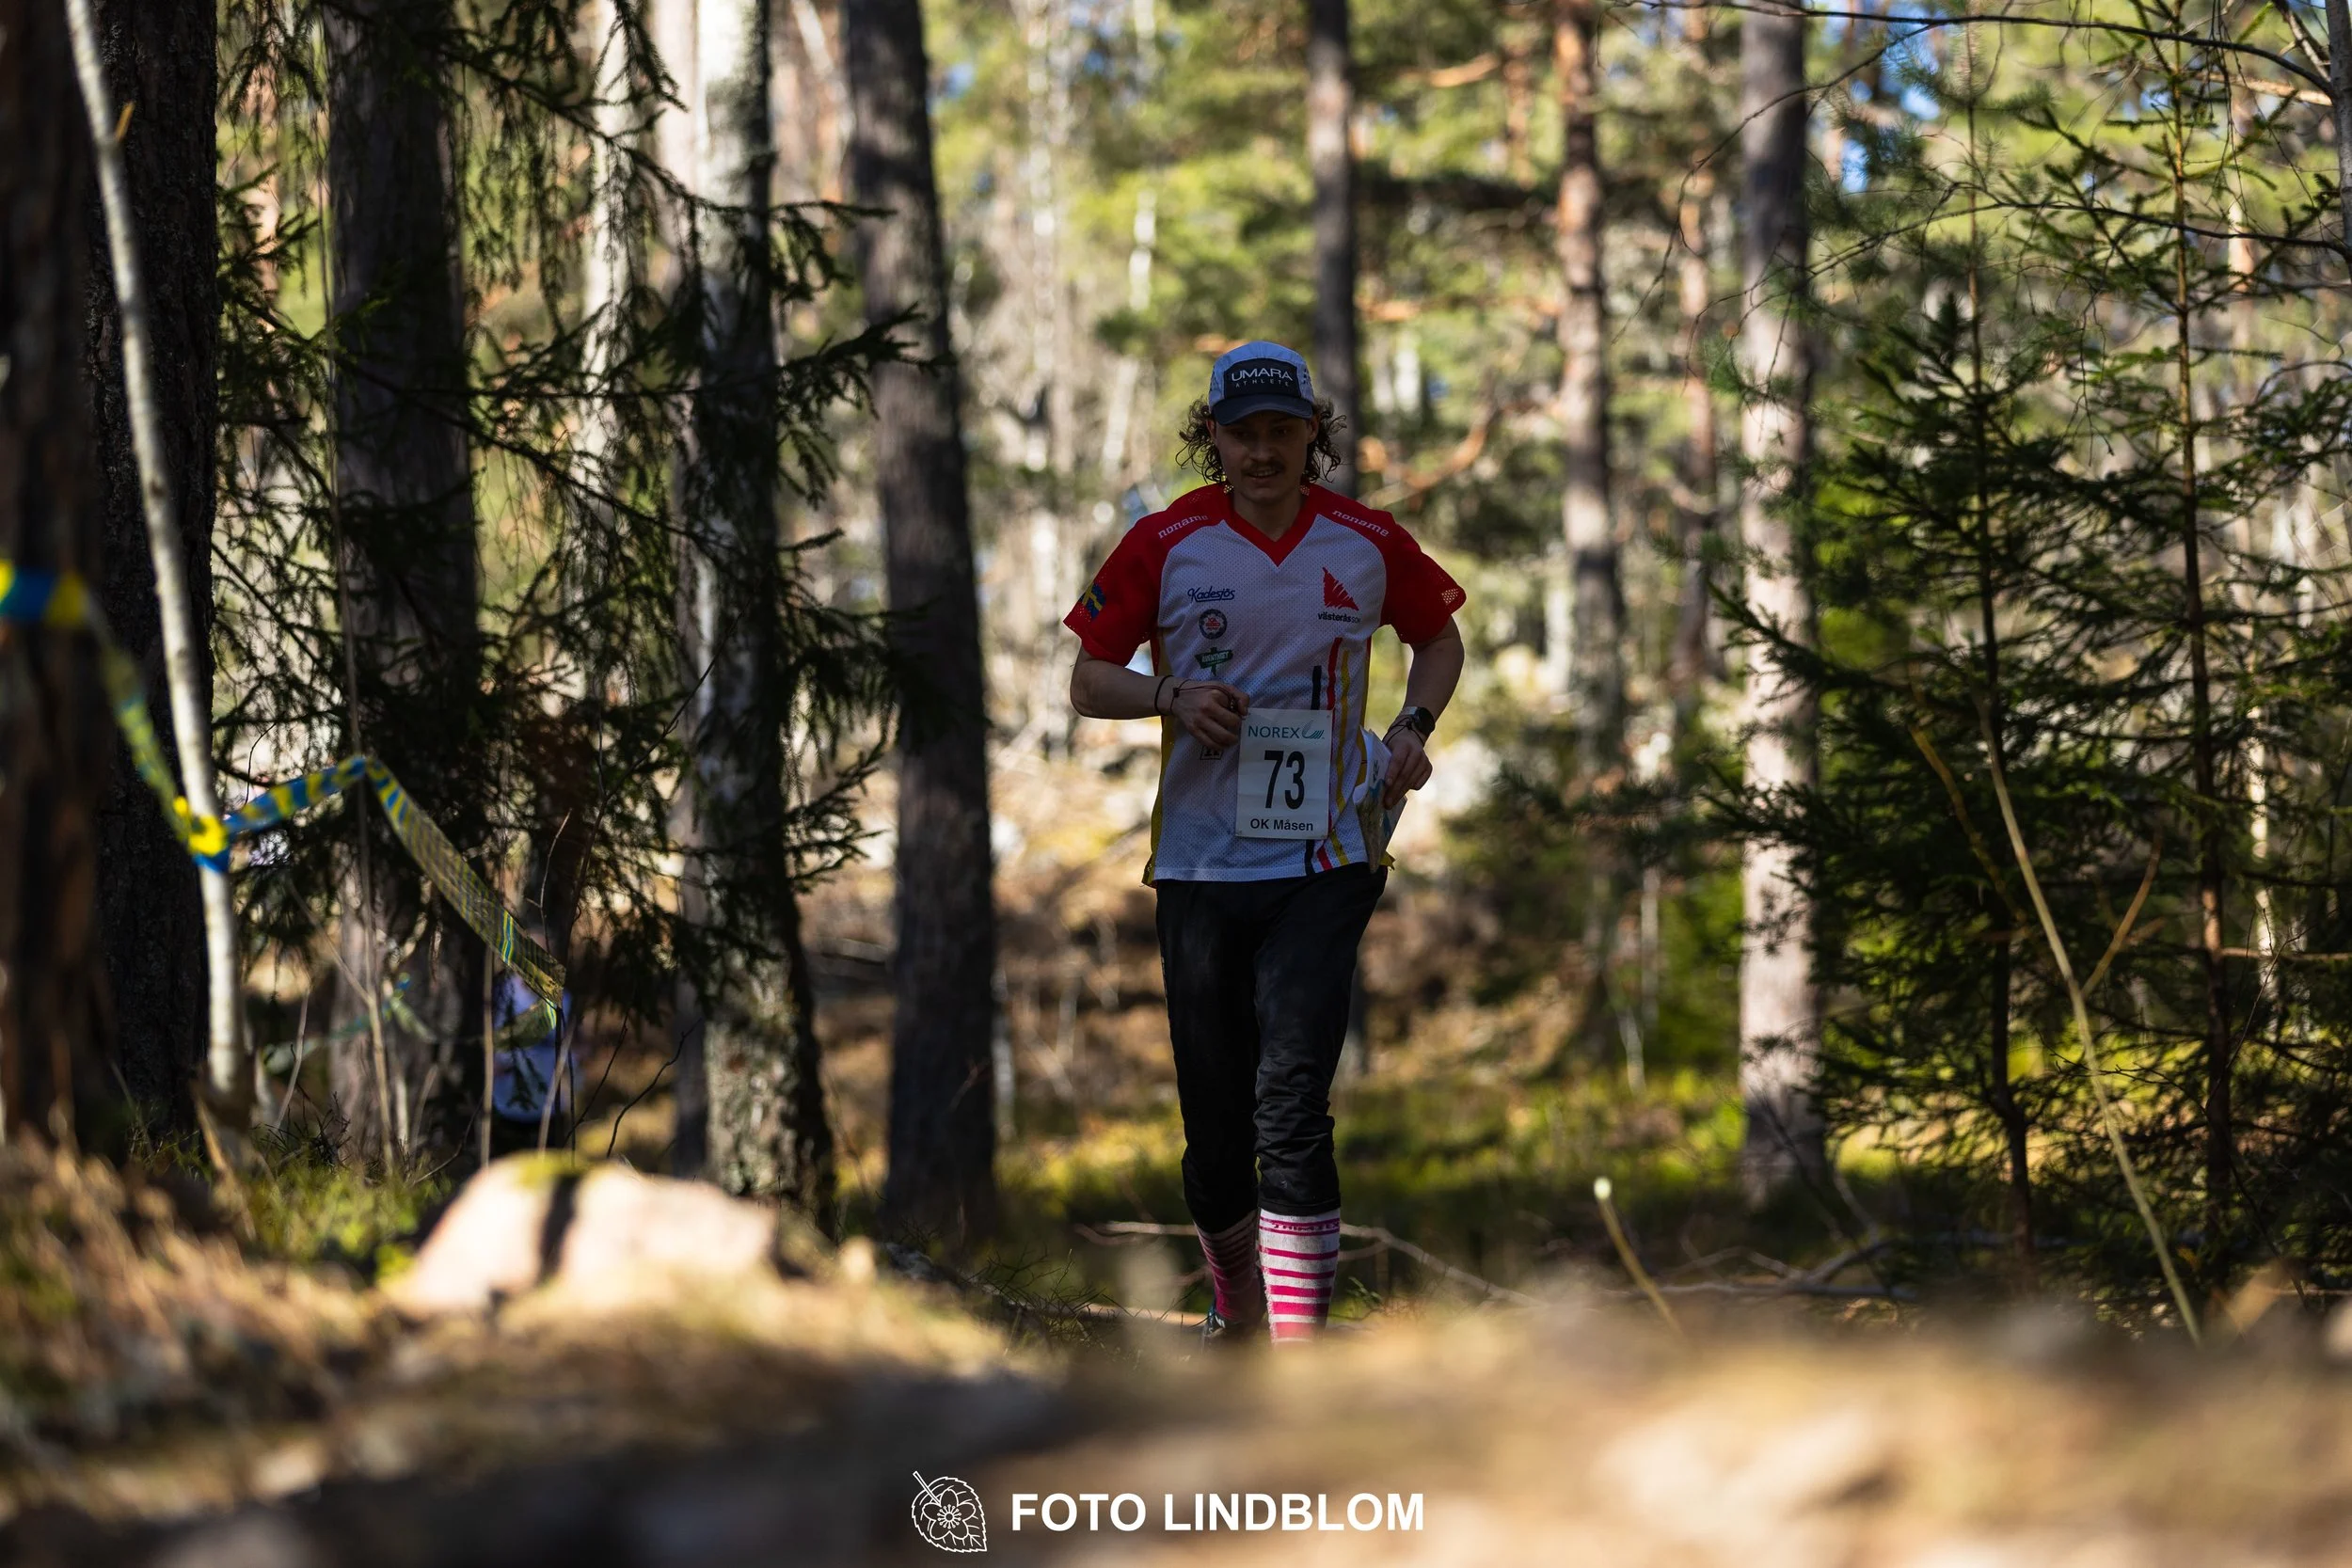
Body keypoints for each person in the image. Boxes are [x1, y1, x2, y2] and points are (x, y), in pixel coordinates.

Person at [1064, 340, 1466, 1345]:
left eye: (1282, 431)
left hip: (1327, 856)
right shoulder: (1166, 541)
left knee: (1291, 1099)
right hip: (1200, 863)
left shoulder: (1365, 540)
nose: (1263, 451)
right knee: (1215, 1132)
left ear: (1310, 436)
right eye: (1243, 433)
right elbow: (1085, 678)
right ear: (1213, 438)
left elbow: (1440, 635)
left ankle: (1299, 1357)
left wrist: (1410, 731)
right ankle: (1238, 1313)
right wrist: (1171, 694)